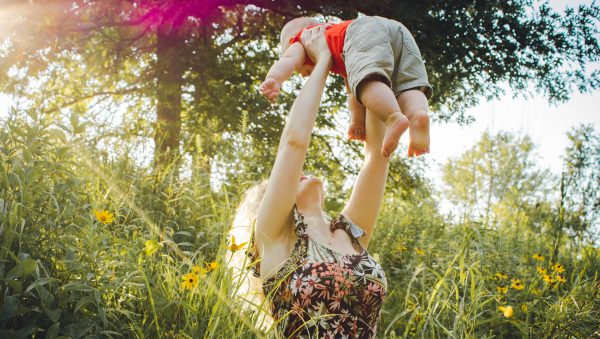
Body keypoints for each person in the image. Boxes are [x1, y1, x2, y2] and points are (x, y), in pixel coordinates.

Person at [236, 25, 390, 338]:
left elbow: (378, 155)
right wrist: (322, 60)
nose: (299, 172)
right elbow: (294, 143)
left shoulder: (350, 233)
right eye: (293, 176)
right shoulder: (275, 239)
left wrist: (361, 65)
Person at [259, 16, 433, 158]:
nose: (303, 74)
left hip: (363, 31)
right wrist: (357, 121)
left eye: (299, 71)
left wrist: (275, 78)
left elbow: (288, 60)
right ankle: (417, 115)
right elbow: (352, 91)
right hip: (397, 30)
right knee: (408, 85)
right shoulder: (340, 44)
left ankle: (394, 117)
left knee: (368, 84)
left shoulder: (303, 39)